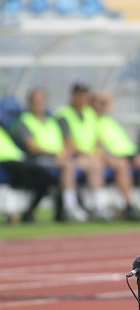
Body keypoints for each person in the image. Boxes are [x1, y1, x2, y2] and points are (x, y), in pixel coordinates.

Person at [15, 88, 89, 222]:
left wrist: (66, 153)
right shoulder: (24, 121)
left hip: (59, 158)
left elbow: (66, 142)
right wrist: (55, 153)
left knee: (92, 165)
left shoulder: (53, 121)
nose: (39, 105)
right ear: (29, 103)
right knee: (68, 165)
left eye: (41, 101)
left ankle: (93, 206)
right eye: (36, 102)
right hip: (38, 160)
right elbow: (32, 147)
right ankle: (70, 206)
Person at [91, 91, 140, 221]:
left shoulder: (109, 119)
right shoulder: (92, 121)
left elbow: (109, 99)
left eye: (101, 104)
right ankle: (128, 205)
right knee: (122, 167)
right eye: (97, 103)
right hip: (114, 156)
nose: (100, 106)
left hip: (129, 154)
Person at [56, 83, 112, 221]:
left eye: (85, 95)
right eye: (80, 95)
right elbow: (68, 143)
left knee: (102, 164)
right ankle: (71, 207)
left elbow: (97, 140)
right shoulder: (64, 114)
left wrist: (99, 154)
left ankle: (99, 206)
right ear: (73, 96)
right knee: (83, 166)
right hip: (74, 156)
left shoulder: (90, 114)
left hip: (89, 157)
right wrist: (88, 155)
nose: (83, 98)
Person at [0, 122, 57, 223]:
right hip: (5, 162)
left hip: (19, 158)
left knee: (46, 177)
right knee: (24, 180)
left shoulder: (4, 127)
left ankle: (29, 211)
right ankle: (14, 211)